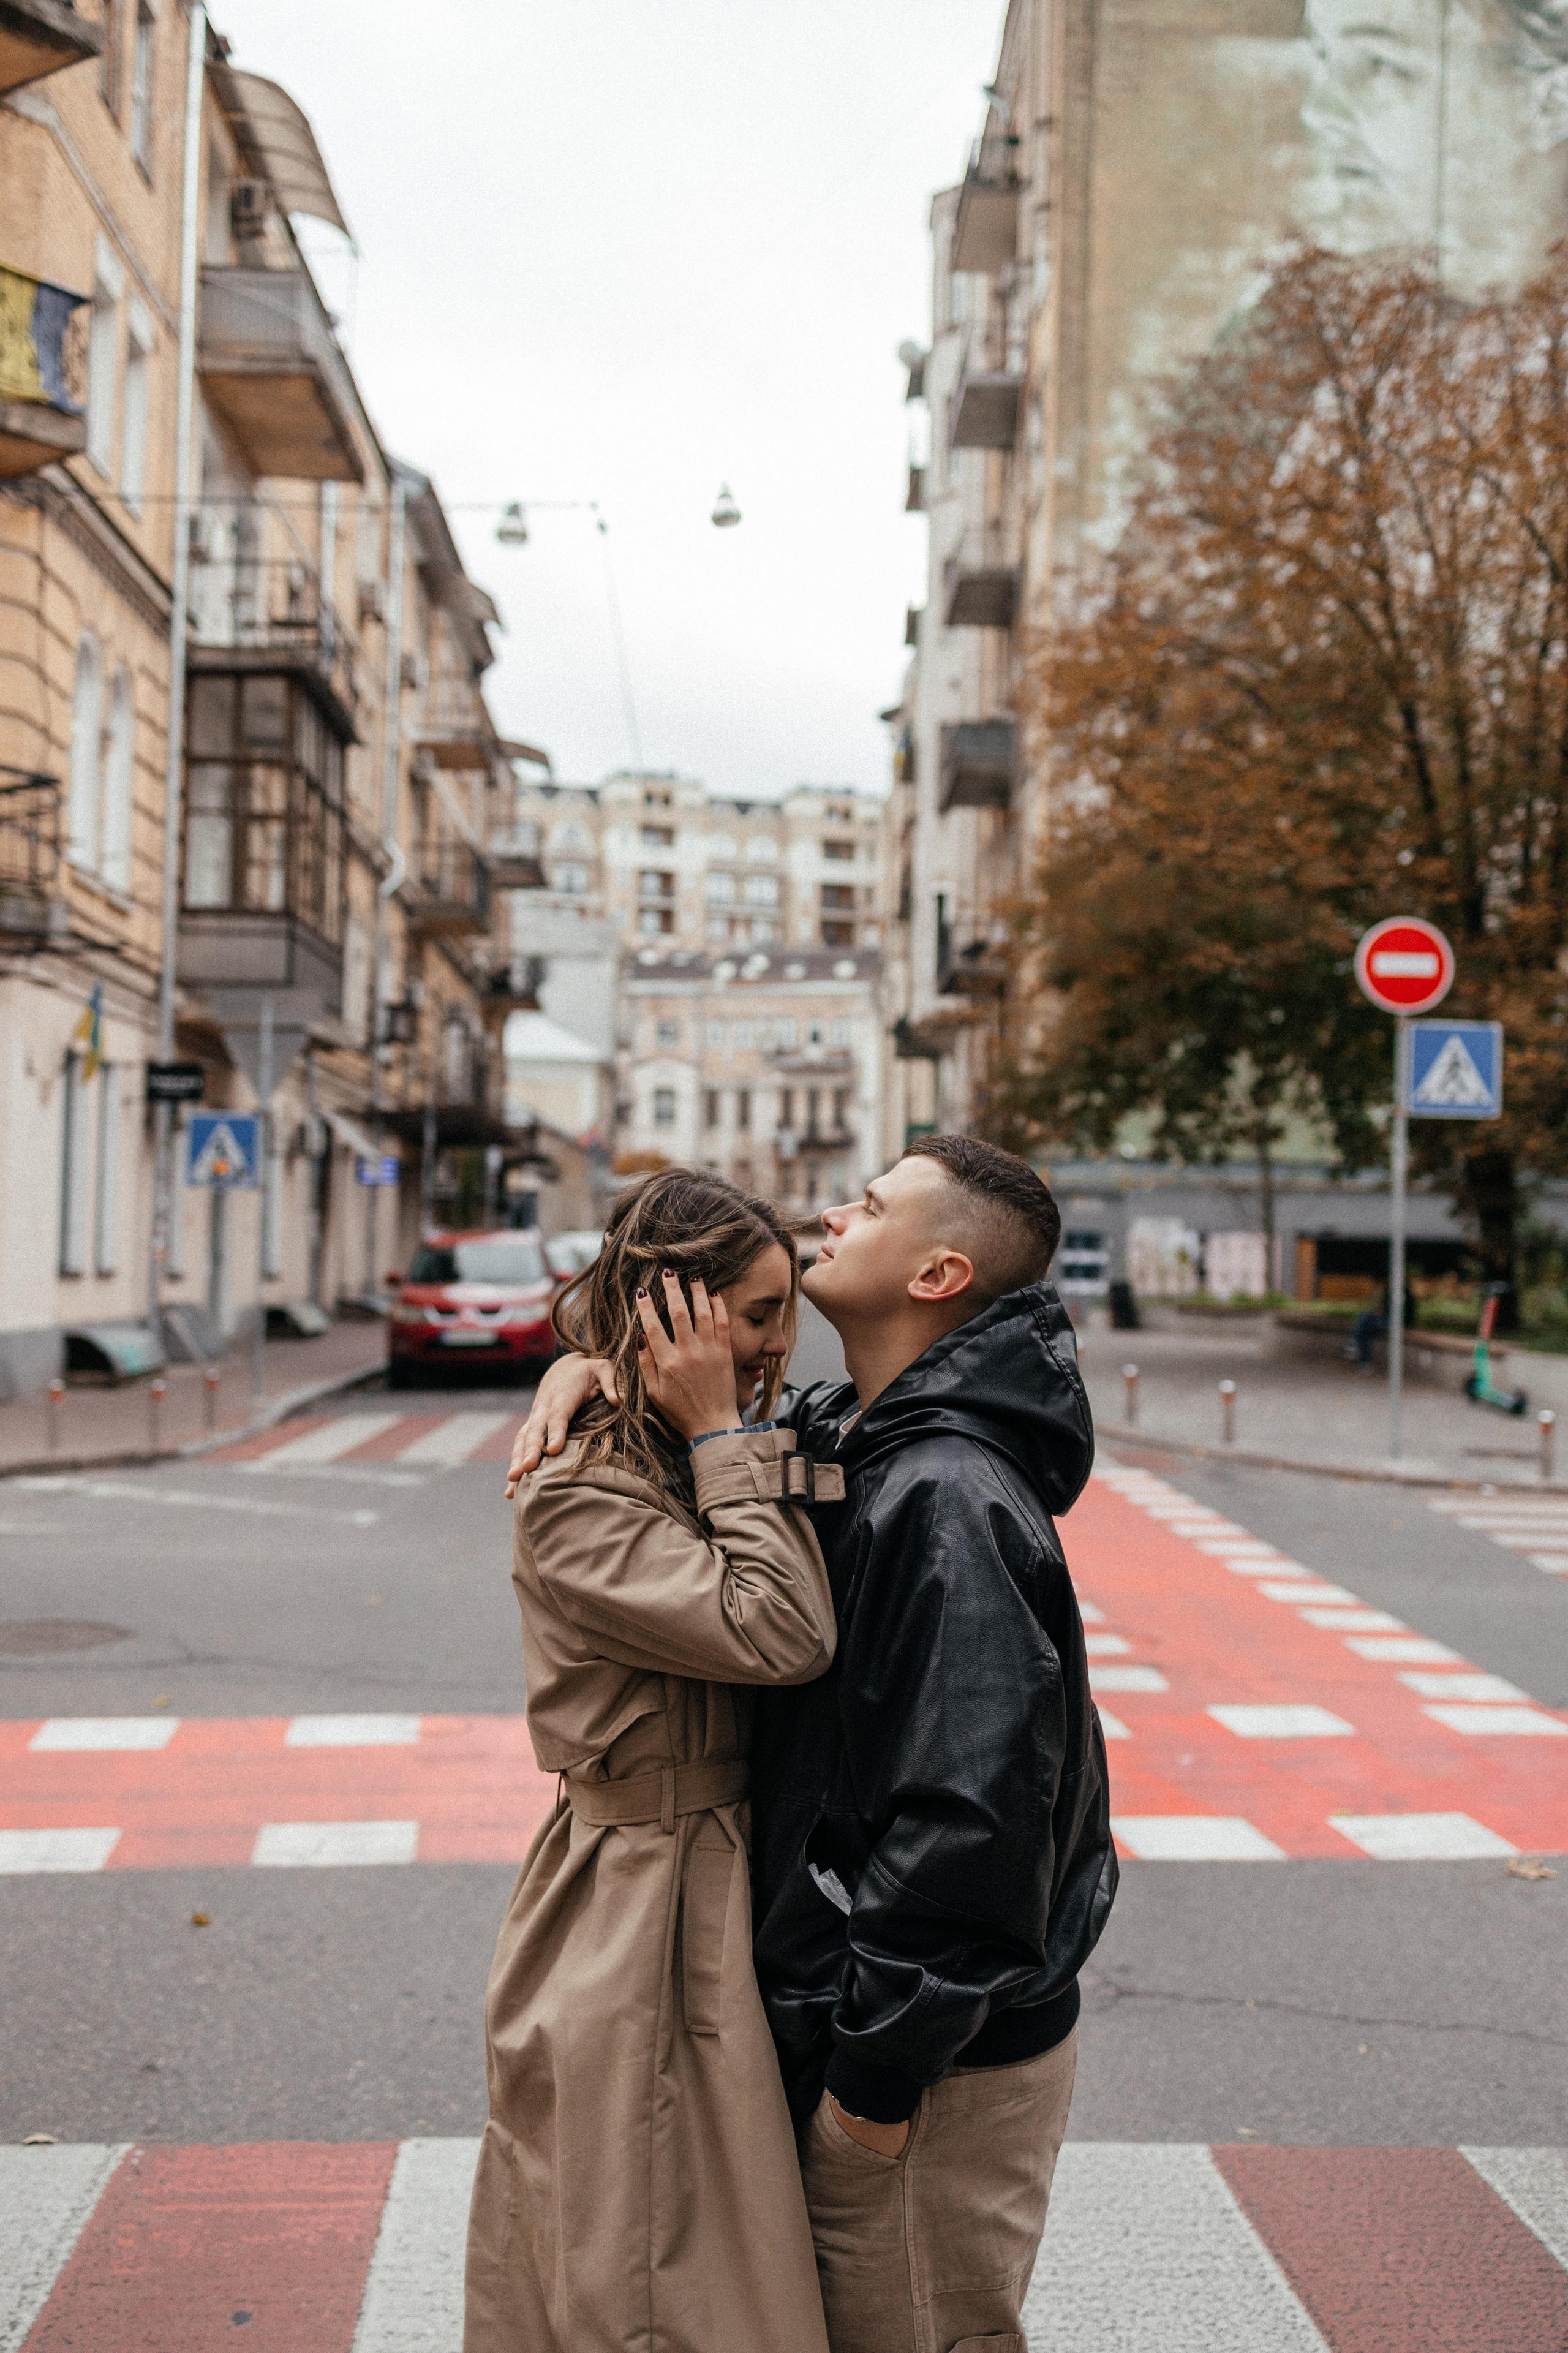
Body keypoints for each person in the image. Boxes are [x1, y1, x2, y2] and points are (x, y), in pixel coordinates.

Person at [514, 1134, 1117, 2353]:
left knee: (918, 2327)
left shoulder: (943, 1490)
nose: (832, 1214)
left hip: (926, 2058)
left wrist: (871, 2088)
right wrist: (596, 1362)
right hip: (877, 2027)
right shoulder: (864, 1439)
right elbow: (747, 1460)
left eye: (870, 1203)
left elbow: (971, 1818)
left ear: (938, 1275)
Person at [466, 1169, 842, 2353]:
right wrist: (705, 1420)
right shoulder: (579, 1487)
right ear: (668, 1314)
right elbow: (780, 1631)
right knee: (638, 2263)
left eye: (791, 1310)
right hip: (635, 1900)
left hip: (726, 1873)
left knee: (713, 2253)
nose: (782, 1343)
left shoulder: (693, 1441)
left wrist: (604, 1368)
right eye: (758, 1311)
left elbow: (826, 1490)